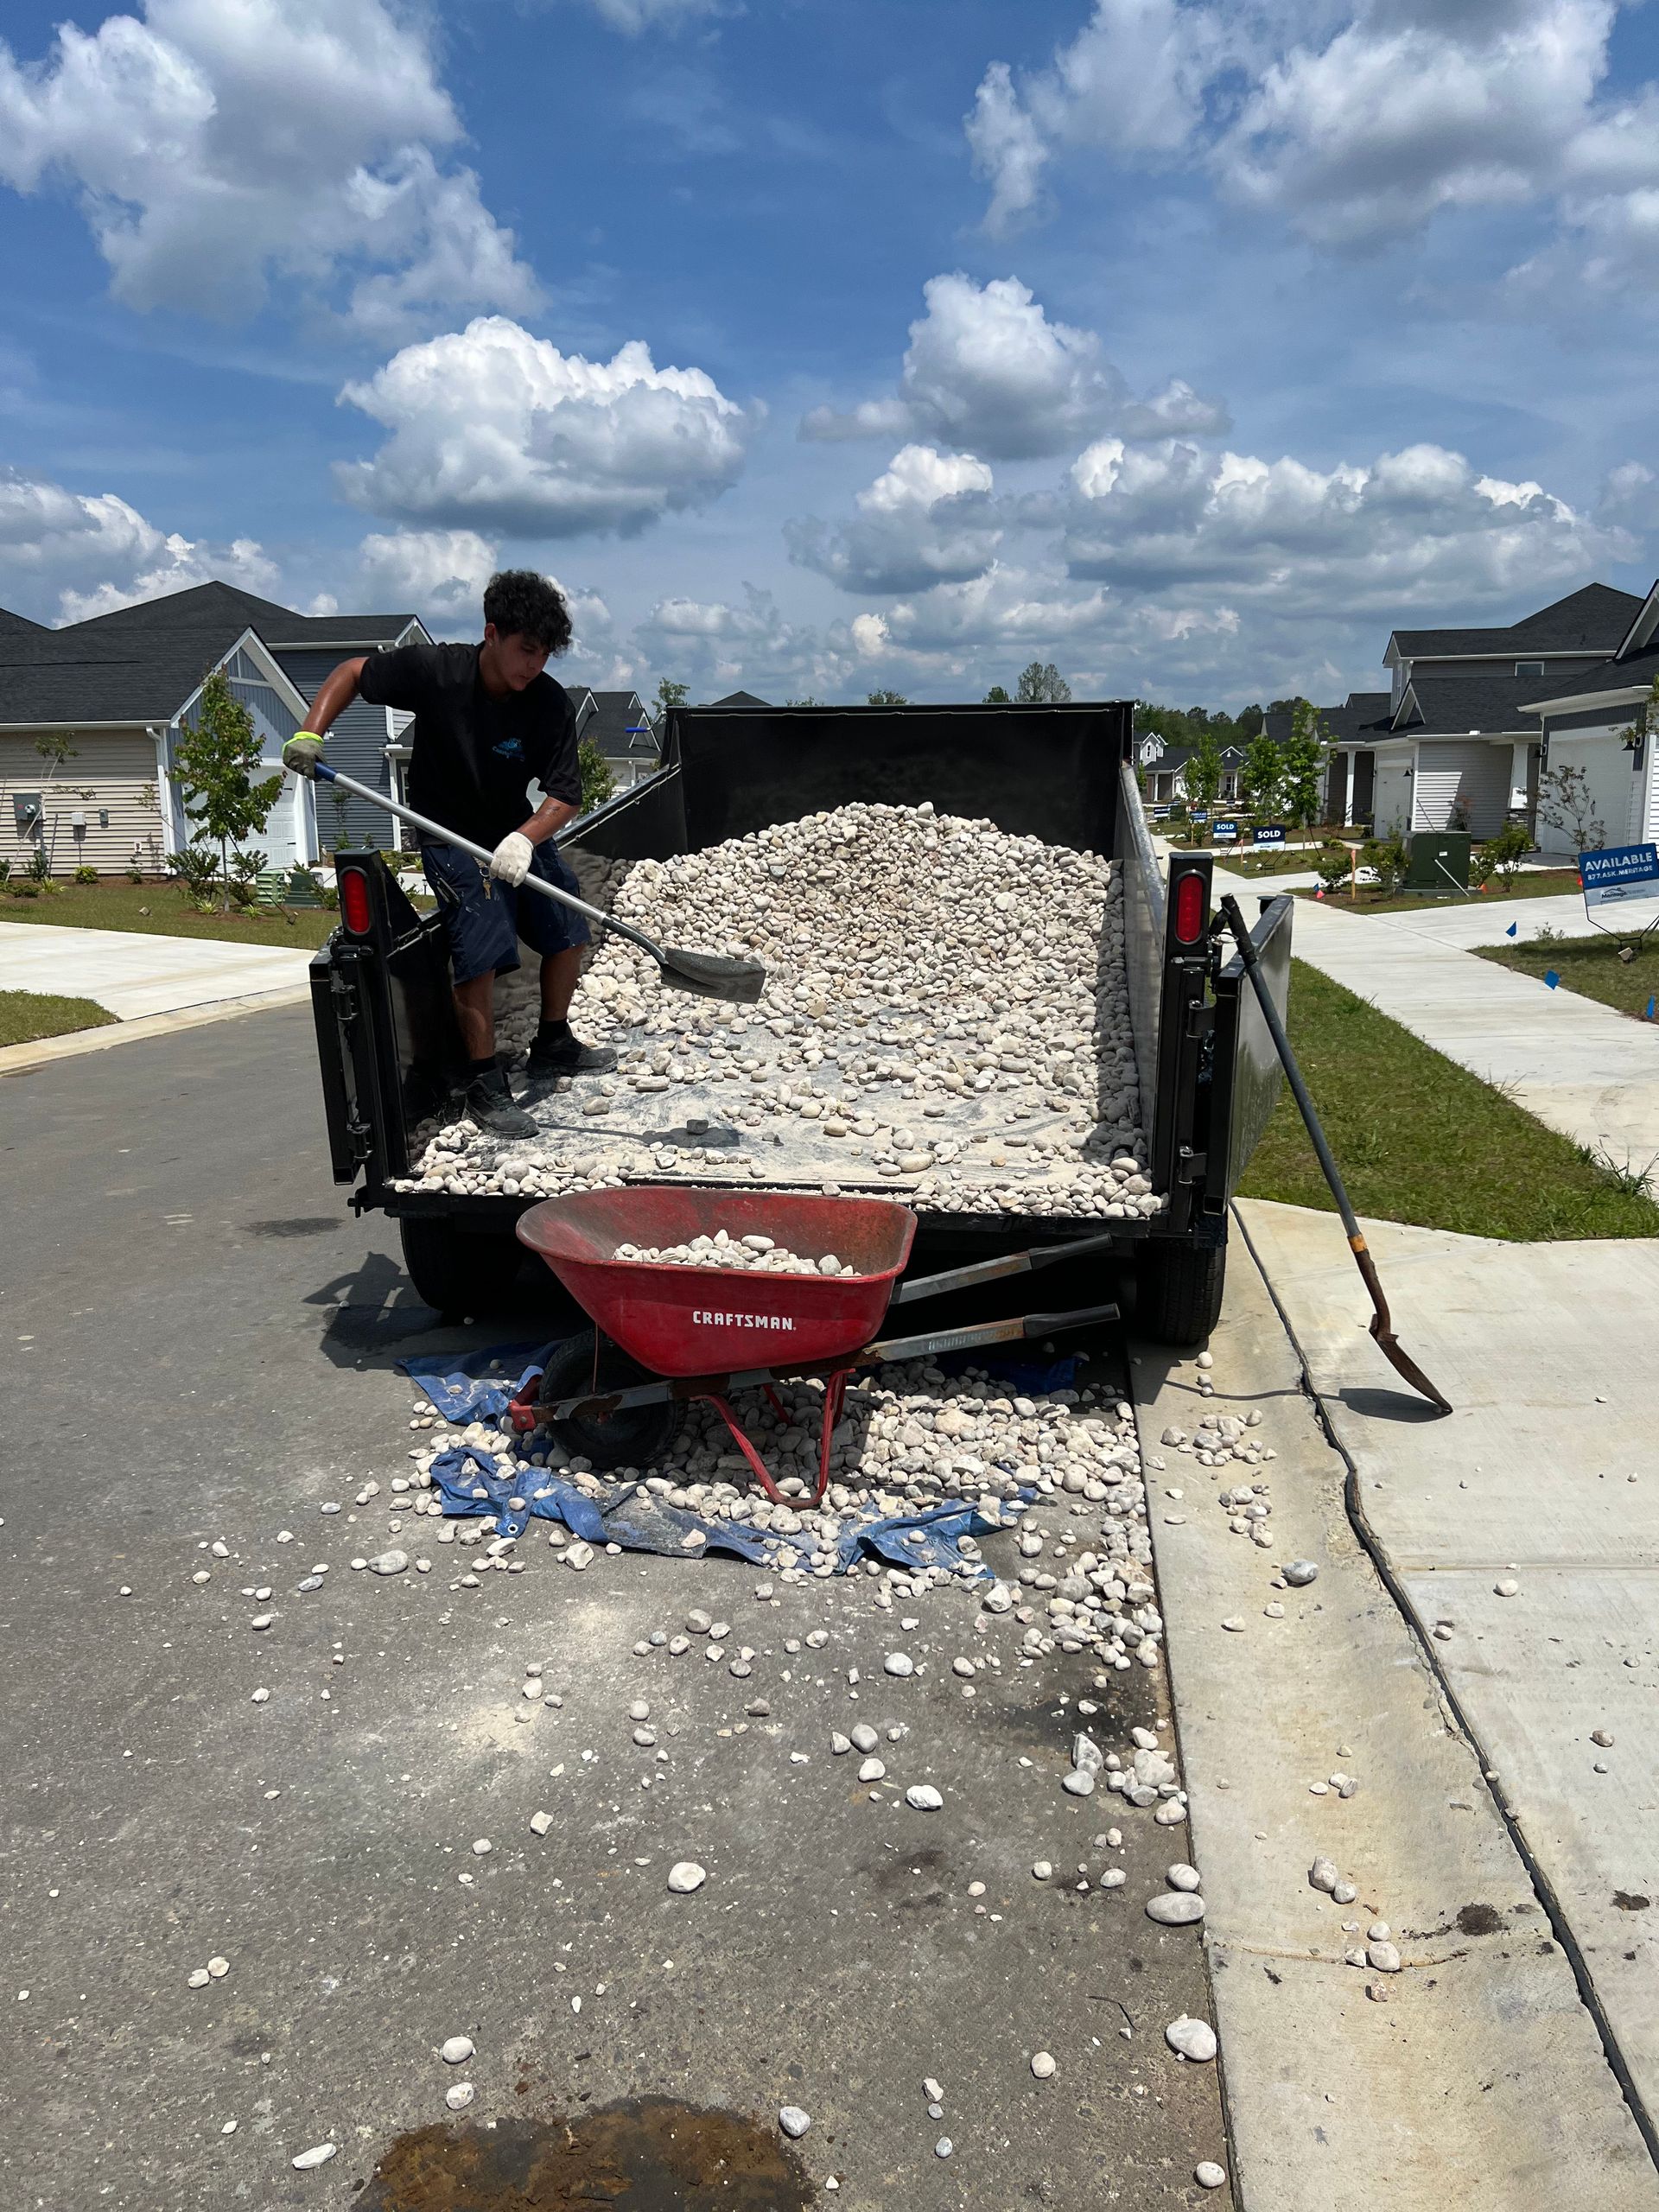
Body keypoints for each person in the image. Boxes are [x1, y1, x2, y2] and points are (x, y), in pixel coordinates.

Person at [283, 569, 615, 1138]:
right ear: (492, 633)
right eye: (525, 650)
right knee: (481, 944)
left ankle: (553, 1040)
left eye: (544, 654)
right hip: (445, 832)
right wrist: (312, 732)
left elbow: (564, 796)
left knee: (568, 920)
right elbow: (353, 673)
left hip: (512, 830)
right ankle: (484, 1084)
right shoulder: (435, 671)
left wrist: (523, 839)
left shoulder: (549, 704)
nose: (533, 665)